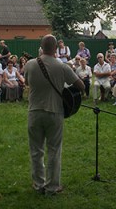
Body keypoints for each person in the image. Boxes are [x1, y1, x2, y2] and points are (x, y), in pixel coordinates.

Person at [25, 34, 85, 195]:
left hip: (34, 111)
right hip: (55, 111)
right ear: (56, 49)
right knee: (54, 150)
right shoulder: (62, 66)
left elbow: (26, 82)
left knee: (36, 150)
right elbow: (80, 86)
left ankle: (38, 184)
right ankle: (52, 186)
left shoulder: (30, 65)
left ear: (41, 47)